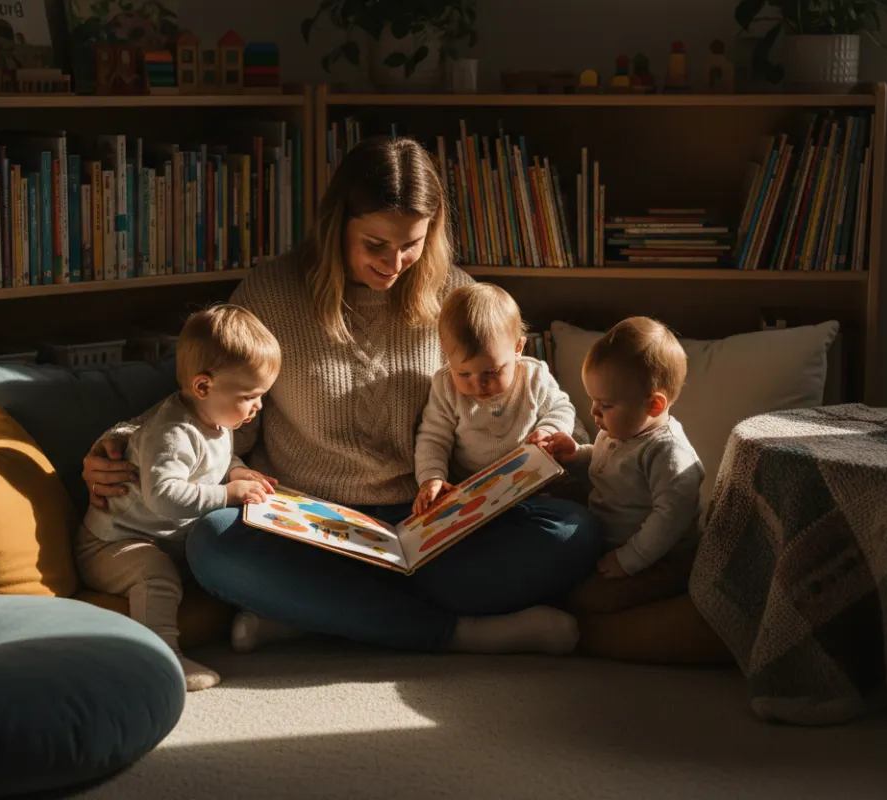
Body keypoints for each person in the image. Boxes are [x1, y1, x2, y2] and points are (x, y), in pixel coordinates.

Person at [81, 135, 603, 656]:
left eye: (412, 244)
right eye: (375, 244)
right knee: (213, 544)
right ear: (337, 226)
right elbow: (207, 396)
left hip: (429, 524)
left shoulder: (457, 299)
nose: (395, 263)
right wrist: (125, 442)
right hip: (310, 527)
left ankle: (319, 613)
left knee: (573, 531)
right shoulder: (272, 295)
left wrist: (544, 450)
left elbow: (528, 395)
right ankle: (456, 633)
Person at [76, 305, 281, 690]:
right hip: (112, 544)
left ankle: (274, 615)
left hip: (166, 539)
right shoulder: (171, 433)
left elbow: (214, 461)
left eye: (261, 396)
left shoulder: (216, 418)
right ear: (203, 387)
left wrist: (236, 471)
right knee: (156, 574)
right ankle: (161, 659)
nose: (258, 406)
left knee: (235, 550)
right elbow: (164, 497)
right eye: (250, 396)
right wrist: (227, 494)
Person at [543, 316, 705, 598]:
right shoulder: (620, 429)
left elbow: (671, 518)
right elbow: (611, 465)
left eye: (605, 405)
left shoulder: (668, 452)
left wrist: (629, 559)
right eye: (593, 400)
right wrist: (577, 455)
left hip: (659, 555)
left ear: (654, 405)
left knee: (588, 598)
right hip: (608, 535)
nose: (594, 412)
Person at [412, 282, 580, 516]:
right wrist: (431, 479)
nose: (479, 385)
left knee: (570, 520)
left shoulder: (533, 376)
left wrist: (548, 430)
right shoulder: (445, 386)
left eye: (491, 372)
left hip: (531, 487)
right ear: (446, 353)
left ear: (518, 348)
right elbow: (433, 439)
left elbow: (561, 408)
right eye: (464, 374)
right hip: (471, 495)